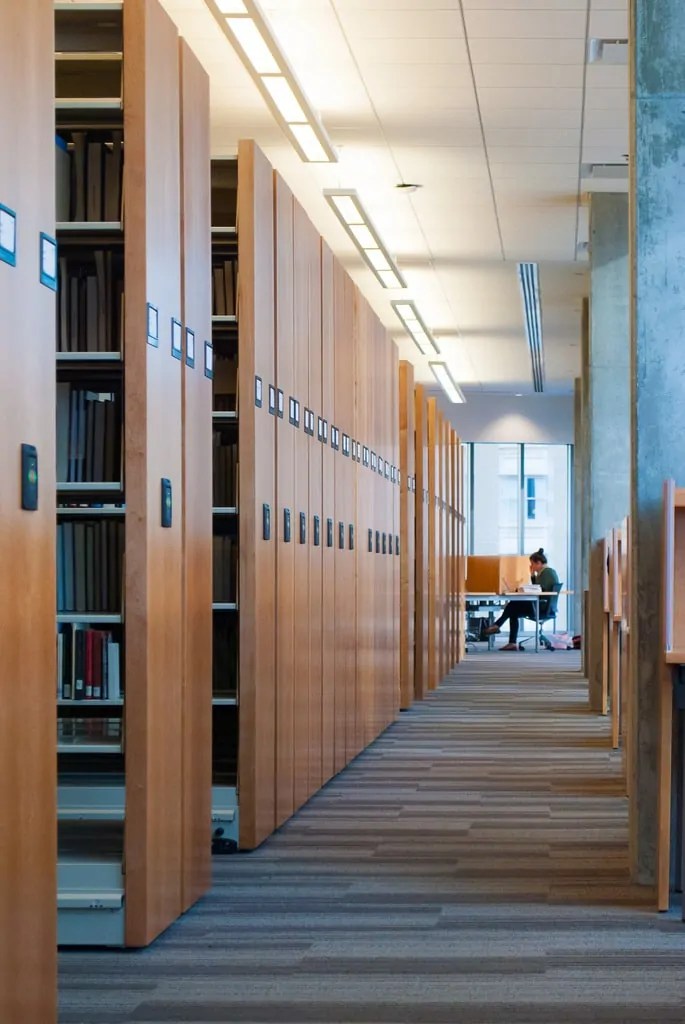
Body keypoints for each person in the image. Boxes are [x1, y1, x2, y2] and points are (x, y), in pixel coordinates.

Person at [482, 548, 560, 651]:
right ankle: (510, 641)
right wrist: (532, 575)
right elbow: (539, 587)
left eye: (532, 564)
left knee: (512, 606)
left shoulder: (547, 572)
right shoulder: (545, 572)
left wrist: (530, 582)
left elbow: (541, 589)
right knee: (513, 610)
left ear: (539, 563)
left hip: (541, 607)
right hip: (540, 605)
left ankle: (498, 626)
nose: (531, 566)